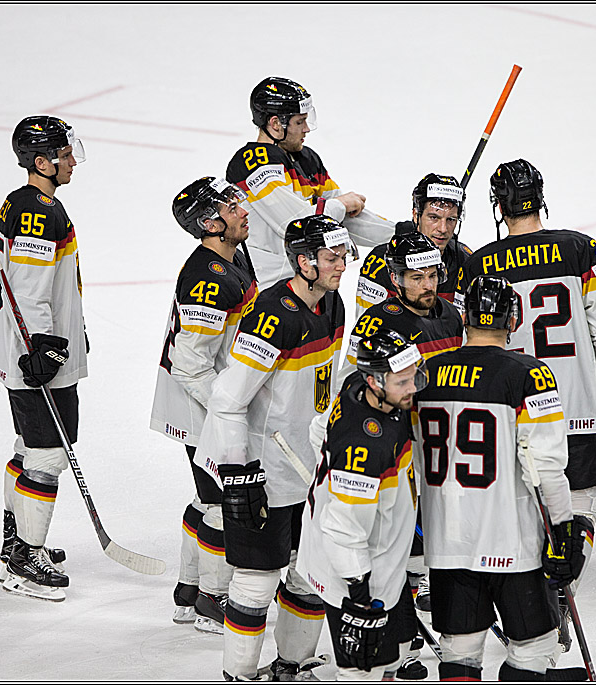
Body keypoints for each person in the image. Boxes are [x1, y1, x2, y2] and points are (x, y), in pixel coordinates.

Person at [458, 158, 596, 654]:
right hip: (573, 402)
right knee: (580, 502)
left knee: (524, 505)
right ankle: (561, 589)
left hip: (506, 407)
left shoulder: (478, 263)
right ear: (541, 196)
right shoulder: (581, 248)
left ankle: (525, 607)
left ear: (498, 206)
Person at [196, 214, 354, 681]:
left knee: (310, 573)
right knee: (257, 579)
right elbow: (227, 401)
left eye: (343, 255)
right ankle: (239, 675)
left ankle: (292, 663)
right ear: (304, 262)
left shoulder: (334, 304)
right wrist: (240, 475)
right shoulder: (273, 314)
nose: (342, 265)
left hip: (308, 467)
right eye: (332, 257)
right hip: (261, 469)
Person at [412, 275, 588, 681]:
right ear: (513, 319)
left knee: (460, 651)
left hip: (446, 540)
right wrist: (563, 527)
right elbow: (543, 463)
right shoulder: (530, 375)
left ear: (463, 316)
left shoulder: (424, 373)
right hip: (512, 540)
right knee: (534, 648)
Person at [0, 115, 87, 602]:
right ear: (41, 162)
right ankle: (25, 559)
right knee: (49, 452)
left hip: (16, 345)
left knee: (27, 445)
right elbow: (31, 287)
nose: (72, 160)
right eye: (64, 154)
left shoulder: (23, 202)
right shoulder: (41, 211)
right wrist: (46, 344)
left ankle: (16, 539)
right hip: (34, 353)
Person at [340, 231, 464, 679]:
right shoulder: (378, 323)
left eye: (433, 274)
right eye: (416, 276)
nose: (427, 284)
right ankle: (404, 632)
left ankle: (427, 599)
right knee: (395, 539)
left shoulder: (450, 314)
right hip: (400, 446)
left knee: (434, 530)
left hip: (444, 440)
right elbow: (358, 388)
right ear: (395, 279)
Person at [149, 177, 258, 631]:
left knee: (206, 496)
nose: (243, 208)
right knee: (220, 502)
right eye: (232, 205)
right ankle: (212, 601)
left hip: (201, 400)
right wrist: (229, 412)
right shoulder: (207, 279)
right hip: (202, 405)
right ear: (210, 223)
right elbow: (191, 364)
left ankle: (189, 590)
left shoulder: (229, 256)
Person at [297, 330, 426, 681]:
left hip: (384, 562)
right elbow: (342, 530)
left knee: (398, 651)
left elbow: (317, 430)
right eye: (402, 381)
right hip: (355, 574)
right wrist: (360, 594)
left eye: (413, 375)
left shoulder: (356, 387)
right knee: (363, 671)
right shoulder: (365, 447)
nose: (412, 387)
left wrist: (330, 484)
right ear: (374, 381)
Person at [226, 76, 394, 289]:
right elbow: (296, 225)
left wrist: (402, 234)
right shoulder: (253, 162)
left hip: (311, 287)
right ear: (276, 124)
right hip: (269, 291)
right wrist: (340, 204)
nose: (307, 128)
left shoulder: (306, 159)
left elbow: (340, 221)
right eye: (299, 122)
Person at [355, 173, 473, 317]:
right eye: (434, 217)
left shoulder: (465, 262)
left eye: (451, 219)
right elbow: (366, 331)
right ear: (416, 215)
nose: (443, 229)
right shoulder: (380, 262)